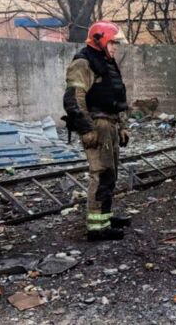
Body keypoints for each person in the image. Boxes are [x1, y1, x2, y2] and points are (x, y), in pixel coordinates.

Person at [63, 21, 131, 241]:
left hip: (110, 124)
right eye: (112, 43)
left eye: (116, 44)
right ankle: (96, 228)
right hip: (97, 125)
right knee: (101, 174)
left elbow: (117, 98)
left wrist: (122, 126)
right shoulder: (83, 62)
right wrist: (86, 129)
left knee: (110, 174)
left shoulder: (106, 62)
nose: (115, 47)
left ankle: (105, 217)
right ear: (99, 40)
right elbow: (74, 99)